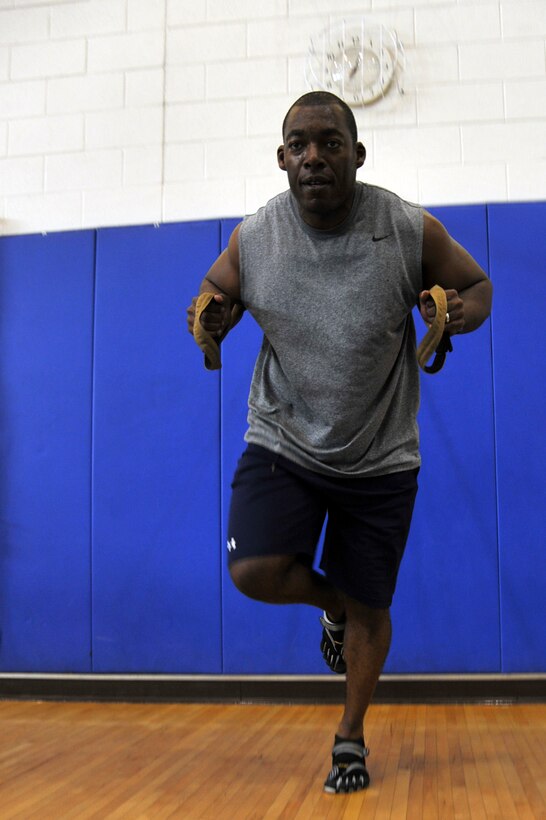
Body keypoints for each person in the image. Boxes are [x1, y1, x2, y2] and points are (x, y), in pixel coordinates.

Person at [187, 91, 492, 794]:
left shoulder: (406, 230)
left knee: (374, 607)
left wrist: (452, 314)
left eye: (329, 142)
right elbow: (214, 287)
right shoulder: (257, 236)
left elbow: (478, 286)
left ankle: (349, 735)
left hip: (380, 453)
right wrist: (212, 313)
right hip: (285, 436)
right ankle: (335, 603)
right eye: (299, 144)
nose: (313, 156)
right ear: (282, 159)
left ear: (357, 154)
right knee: (254, 570)